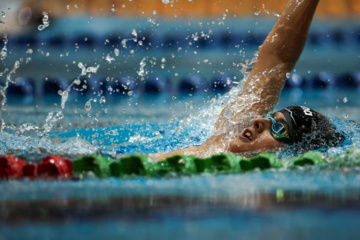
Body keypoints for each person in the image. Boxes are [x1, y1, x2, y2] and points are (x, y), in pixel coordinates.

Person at [153, 0, 345, 160]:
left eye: (279, 128)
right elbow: (277, 59)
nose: (259, 120)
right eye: (271, 118)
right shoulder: (229, 133)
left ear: (293, 153)